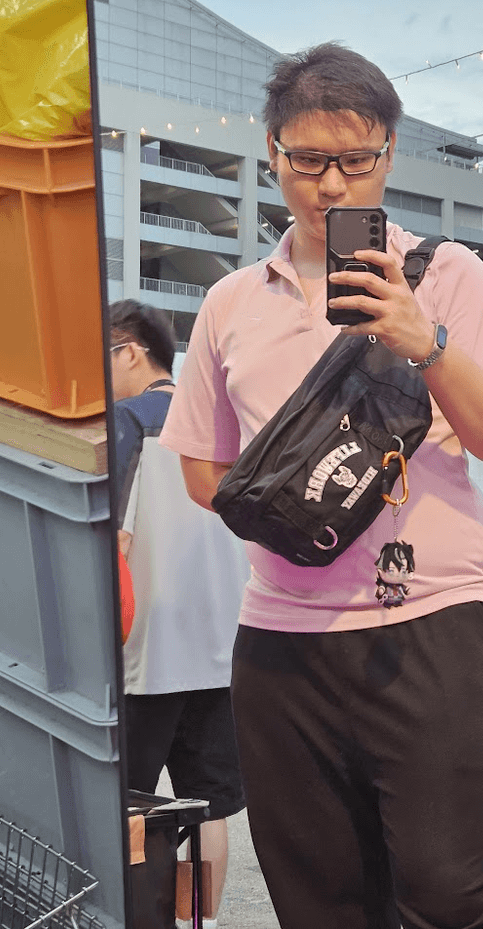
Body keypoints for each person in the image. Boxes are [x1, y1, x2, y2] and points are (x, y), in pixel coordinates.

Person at [158, 42, 483, 929]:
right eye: (308, 160)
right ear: (272, 152)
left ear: (389, 154)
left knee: (450, 891)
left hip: (431, 624)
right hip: (281, 644)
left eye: (356, 160)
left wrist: (425, 342)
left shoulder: (449, 275)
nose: (331, 185)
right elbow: (202, 468)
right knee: (320, 902)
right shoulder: (230, 303)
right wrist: (294, 512)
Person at [109, 300, 250, 926]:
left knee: (126, 805)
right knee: (209, 806)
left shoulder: (128, 422)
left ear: (130, 351)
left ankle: (132, 916)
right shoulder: (225, 422)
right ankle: (202, 922)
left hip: (147, 649)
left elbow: (114, 538)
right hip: (221, 645)